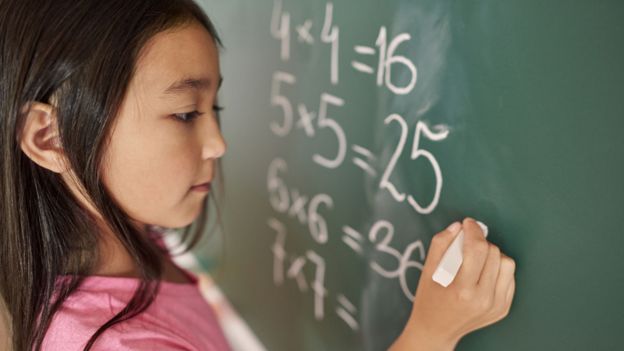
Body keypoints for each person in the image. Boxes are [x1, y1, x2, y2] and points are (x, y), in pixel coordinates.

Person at [0, 0, 515, 350]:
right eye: (184, 113)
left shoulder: (134, 242)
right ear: (51, 138)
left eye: (214, 107)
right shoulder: (116, 343)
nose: (219, 143)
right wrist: (429, 334)